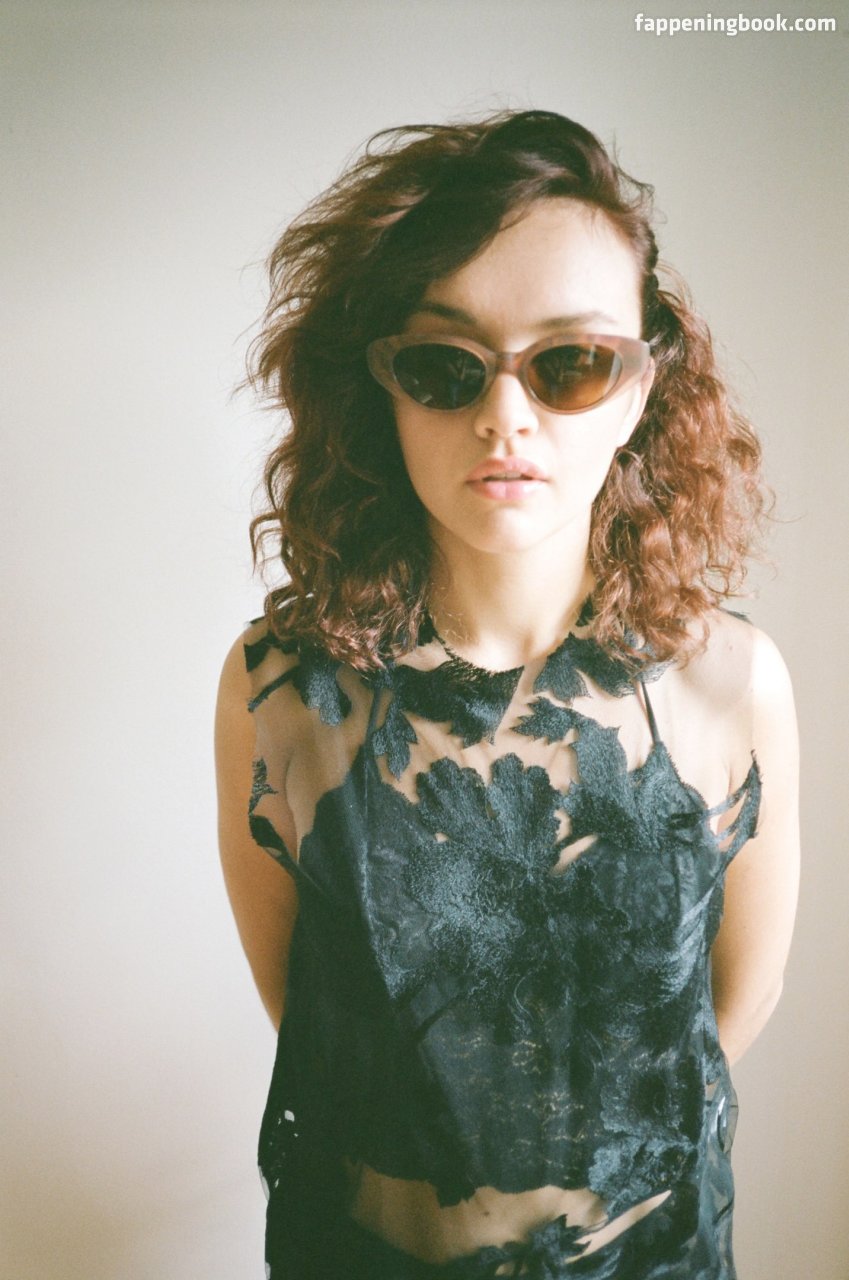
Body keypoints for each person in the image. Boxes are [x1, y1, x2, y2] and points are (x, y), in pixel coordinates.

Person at [215, 110, 800, 1279]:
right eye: (446, 364)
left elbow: (736, 1001)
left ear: (636, 388)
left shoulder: (733, 681)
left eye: (569, 361)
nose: (505, 416)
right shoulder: (280, 693)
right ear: (383, 387)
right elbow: (316, 1016)